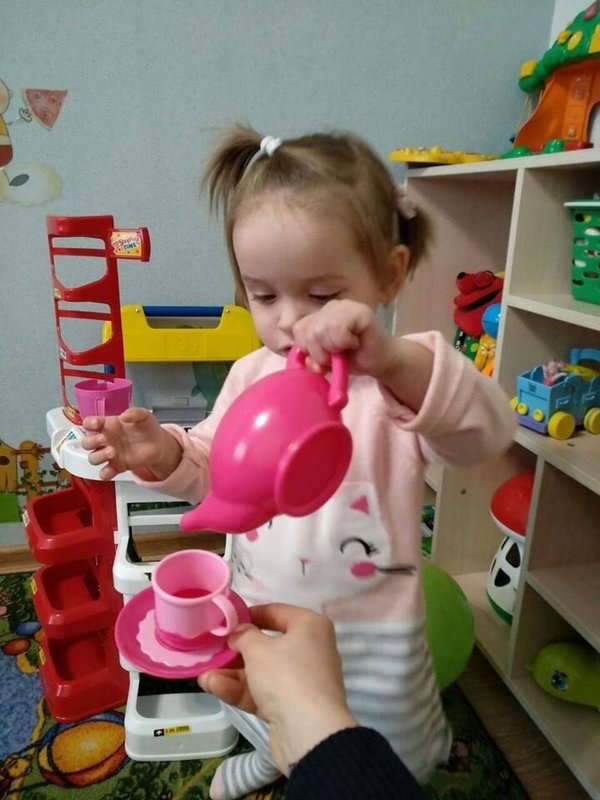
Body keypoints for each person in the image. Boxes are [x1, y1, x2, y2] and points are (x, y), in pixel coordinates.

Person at [82, 125, 516, 800]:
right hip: (262, 608)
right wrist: (165, 453)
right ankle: (272, 758)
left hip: (373, 639)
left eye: (320, 295)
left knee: (388, 746)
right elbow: (216, 474)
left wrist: (395, 361)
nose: (289, 321)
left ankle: (412, 753)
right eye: (264, 295)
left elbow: (487, 433)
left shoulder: (398, 384)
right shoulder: (250, 375)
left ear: (388, 275)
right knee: (261, 708)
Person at [198, 602, 426, 799]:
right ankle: (272, 758)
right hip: (257, 618)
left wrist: (316, 741)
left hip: (363, 657)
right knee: (250, 704)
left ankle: (281, 757)